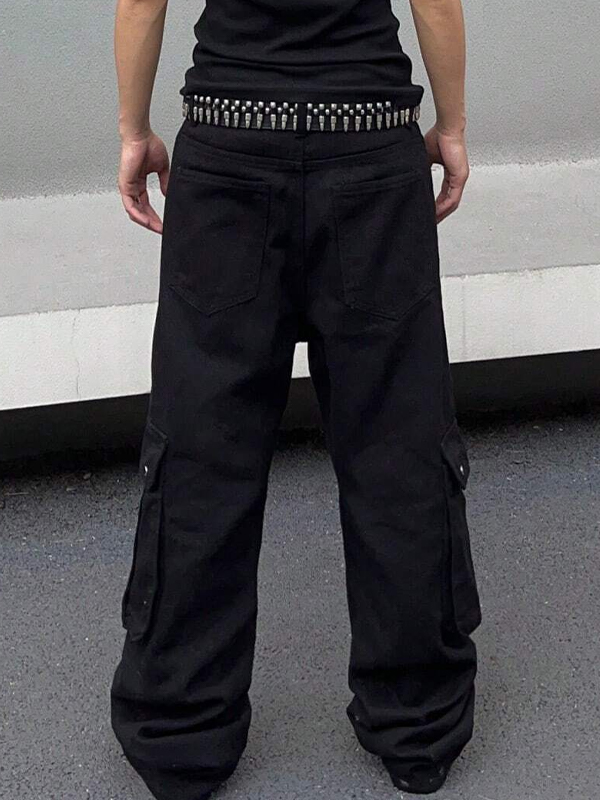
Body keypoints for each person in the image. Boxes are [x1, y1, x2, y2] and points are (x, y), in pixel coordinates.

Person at [110, 0, 482, 797]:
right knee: (397, 443)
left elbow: (141, 1)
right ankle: (418, 724)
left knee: (203, 451)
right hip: (369, 142)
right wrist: (451, 125)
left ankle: (180, 737)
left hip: (230, 140)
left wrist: (133, 130)